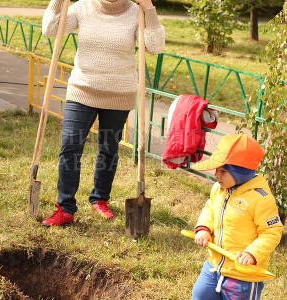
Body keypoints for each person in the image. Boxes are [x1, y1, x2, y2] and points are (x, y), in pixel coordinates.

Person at [41, 0, 165, 226]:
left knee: (108, 149)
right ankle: (65, 207)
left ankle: (100, 199)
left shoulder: (134, 12)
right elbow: (50, 29)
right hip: (82, 89)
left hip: (118, 94)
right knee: (70, 145)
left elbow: (155, 45)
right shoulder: (83, 7)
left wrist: (148, 8)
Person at [190, 133, 283, 300]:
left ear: (240, 172)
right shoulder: (219, 189)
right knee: (199, 295)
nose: (217, 175)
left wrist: (252, 253)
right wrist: (204, 228)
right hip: (215, 266)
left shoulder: (260, 198)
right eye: (216, 169)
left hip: (243, 277)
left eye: (223, 171)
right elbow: (210, 209)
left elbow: (272, 231)